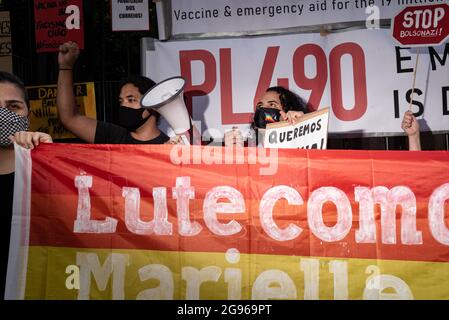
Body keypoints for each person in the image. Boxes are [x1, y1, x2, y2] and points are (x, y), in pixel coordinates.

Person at [0, 71, 52, 299]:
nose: (3, 114)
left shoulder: (48, 171)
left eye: (13, 107)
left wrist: (50, 159)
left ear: (28, 114)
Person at [57, 41, 169, 144]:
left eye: (131, 100)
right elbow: (69, 118)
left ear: (153, 105)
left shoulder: (170, 148)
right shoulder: (112, 136)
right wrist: (65, 67)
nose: (124, 105)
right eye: (121, 101)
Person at [224, 86, 309, 147]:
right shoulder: (249, 151)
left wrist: (303, 126)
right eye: (260, 106)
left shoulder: (299, 144)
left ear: (287, 111)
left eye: (272, 105)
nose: (263, 109)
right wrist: (234, 156)